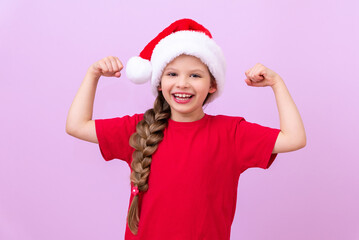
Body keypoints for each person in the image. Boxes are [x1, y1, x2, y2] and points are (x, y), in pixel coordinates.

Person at [66, 18, 306, 240]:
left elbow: (294, 139)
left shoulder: (231, 132)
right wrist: (93, 74)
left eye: (195, 75)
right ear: (159, 82)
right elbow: (77, 126)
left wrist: (277, 84)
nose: (182, 83)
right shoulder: (139, 128)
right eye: (172, 74)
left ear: (212, 84)